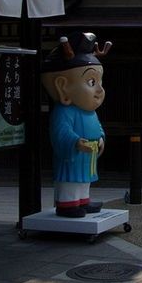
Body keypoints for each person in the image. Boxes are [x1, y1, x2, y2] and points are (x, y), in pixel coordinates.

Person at [40, 32, 111, 218]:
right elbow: (60, 133)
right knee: (71, 181)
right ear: (63, 87)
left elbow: (98, 128)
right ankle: (67, 204)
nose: (99, 90)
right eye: (91, 82)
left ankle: (83, 201)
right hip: (72, 156)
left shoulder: (89, 112)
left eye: (99, 82)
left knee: (84, 180)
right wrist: (75, 142)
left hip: (88, 156)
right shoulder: (64, 112)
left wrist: (101, 138)